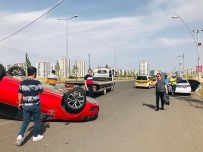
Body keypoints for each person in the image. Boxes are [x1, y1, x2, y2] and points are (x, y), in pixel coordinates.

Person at [15, 66, 44, 146]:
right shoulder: (37, 82)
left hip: (26, 105)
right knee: (37, 121)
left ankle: (20, 136)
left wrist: (20, 103)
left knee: (25, 121)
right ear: (34, 73)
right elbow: (42, 92)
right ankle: (35, 136)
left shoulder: (22, 83)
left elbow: (20, 94)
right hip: (35, 105)